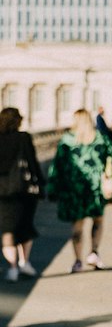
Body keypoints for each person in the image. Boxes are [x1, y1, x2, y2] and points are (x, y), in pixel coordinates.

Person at [48, 109, 112, 272]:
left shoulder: (67, 140)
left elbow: (57, 166)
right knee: (98, 220)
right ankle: (94, 252)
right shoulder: (100, 138)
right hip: (96, 188)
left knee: (77, 226)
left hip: (75, 189)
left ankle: (78, 260)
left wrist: (53, 187)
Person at [0, 108, 43, 283]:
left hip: (2, 192)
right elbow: (32, 163)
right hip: (22, 189)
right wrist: (41, 182)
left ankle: (12, 268)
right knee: (25, 226)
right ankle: (24, 262)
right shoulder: (23, 138)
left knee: (7, 229)